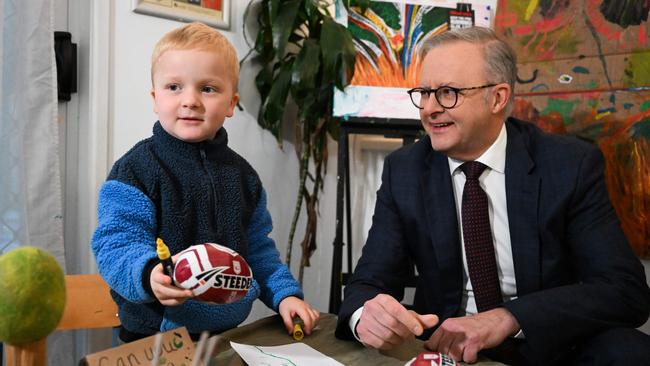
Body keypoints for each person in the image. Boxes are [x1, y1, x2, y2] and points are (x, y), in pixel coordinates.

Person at [335, 26, 650, 365]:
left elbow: (625, 291)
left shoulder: (568, 164)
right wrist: (365, 316)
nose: (428, 109)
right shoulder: (405, 170)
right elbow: (368, 283)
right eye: (424, 93)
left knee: (631, 352)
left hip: (547, 344)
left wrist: (509, 317)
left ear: (498, 98)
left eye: (447, 93)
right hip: (447, 348)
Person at [92, 22, 319, 342]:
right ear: (155, 98)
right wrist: (148, 276)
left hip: (226, 334)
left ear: (230, 103)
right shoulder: (135, 170)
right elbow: (116, 245)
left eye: (207, 88)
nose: (191, 100)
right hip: (153, 336)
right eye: (174, 87)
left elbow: (258, 252)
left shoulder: (245, 178)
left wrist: (285, 295)